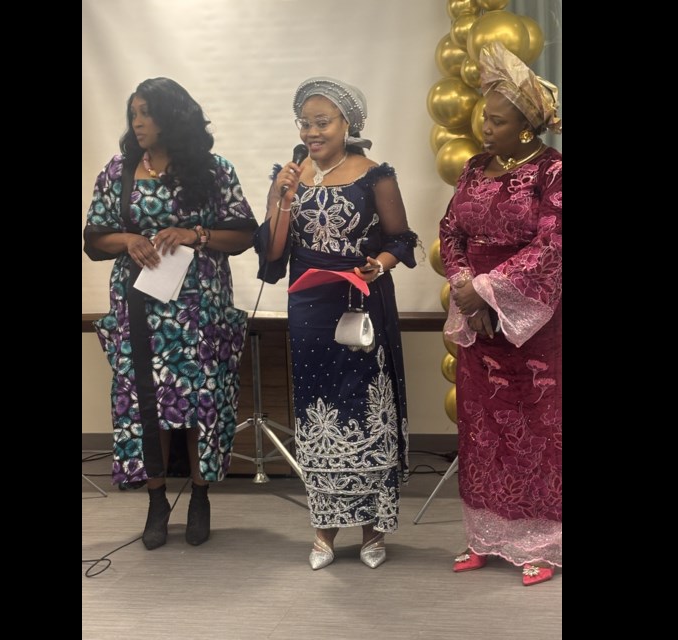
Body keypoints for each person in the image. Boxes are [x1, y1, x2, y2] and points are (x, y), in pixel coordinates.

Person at [83, 77, 257, 549]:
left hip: (200, 308)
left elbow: (244, 234)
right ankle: (157, 502)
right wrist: (128, 240)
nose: (137, 122)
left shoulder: (213, 169)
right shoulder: (118, 170)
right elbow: (94, 238)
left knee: (202, 400)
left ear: (171, 117)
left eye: (146, 113)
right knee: (146, 405)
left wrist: (194, 234)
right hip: (139, 307)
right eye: (132, 113)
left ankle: (200, 497)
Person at [255, 77, 419, 570]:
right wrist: (282, 198)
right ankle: (323, 532)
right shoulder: (289, 176)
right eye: (304, 123)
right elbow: (273, 255)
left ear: (349, 123)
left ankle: (373, 532)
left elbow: (403, 240)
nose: (311, 132)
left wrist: (380, 264)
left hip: (361, 304)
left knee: (365, 410)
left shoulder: (375, 175)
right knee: (318, 413)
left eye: (321, 122)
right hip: (310, 310)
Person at [439, 42, 562, 586]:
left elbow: (553, 244)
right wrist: (466, 287)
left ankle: (544, 543)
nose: (485, 127)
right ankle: (485, 537)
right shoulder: (473, 168)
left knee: (537, 428)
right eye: (484, 118)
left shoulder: (552, 171)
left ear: (528, 125)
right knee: (481, 428)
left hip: (533, 324)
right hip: (478, 322)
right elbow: (451, 231)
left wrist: (492, 290)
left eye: (497, 120)